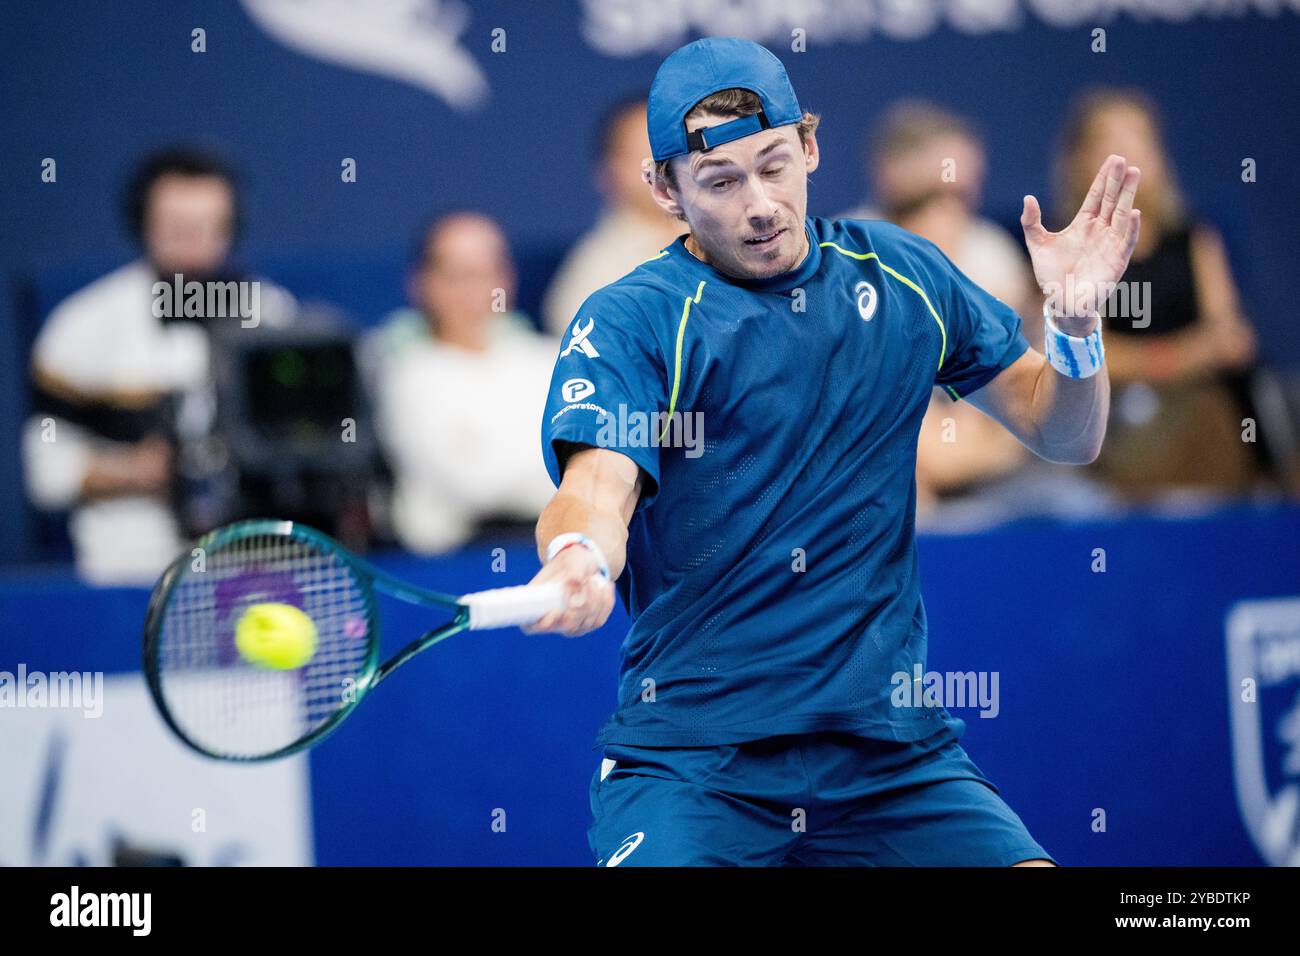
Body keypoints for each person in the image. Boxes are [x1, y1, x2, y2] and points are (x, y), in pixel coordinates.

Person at [525, 37, 1143, 866]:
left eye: (775, 164)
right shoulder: (634, 320)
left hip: (891, 757)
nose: (759, 203)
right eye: (720, 181)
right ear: (664, 190)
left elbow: (1065, 433)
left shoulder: (904, 275)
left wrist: (1071, 327)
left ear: (811, 147)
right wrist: (575, 552)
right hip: (696, 764)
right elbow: (599, 486)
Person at [22, 147, 293, 584]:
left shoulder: (273, 314)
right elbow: (42, 469)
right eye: (177, 227)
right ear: (142, 225)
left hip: (254, 569)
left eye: (210, 226)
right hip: (129, 572)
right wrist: (138, 470)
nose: (194, 241)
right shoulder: (84, 324)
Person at [1054, 88, 1272, 502]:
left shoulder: (1194, 238)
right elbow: (1071, 353)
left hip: (1203, 409)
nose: (1126, 153)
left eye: (1138, 138)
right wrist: (1177, 358)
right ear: (1079, 160)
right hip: (1114, 420)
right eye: (1109, 141)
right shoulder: (1064, 244)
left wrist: (1160, 360)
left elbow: (1229, 340)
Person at [370, 211, 557, 553]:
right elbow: (473, 483)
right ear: (422, 282)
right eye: (460, 275)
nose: (478, 289)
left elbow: (594, 460)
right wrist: (554, 467)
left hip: (548, 552)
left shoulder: (551, 358)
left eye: (489, 271)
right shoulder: (406, 376)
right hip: (450, 564)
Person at [541, 96, 684, 337]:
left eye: (671, 151)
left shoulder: (734, 235)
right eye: (645, 157)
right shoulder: (593, 273)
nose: (663, 168)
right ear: (609, 172)